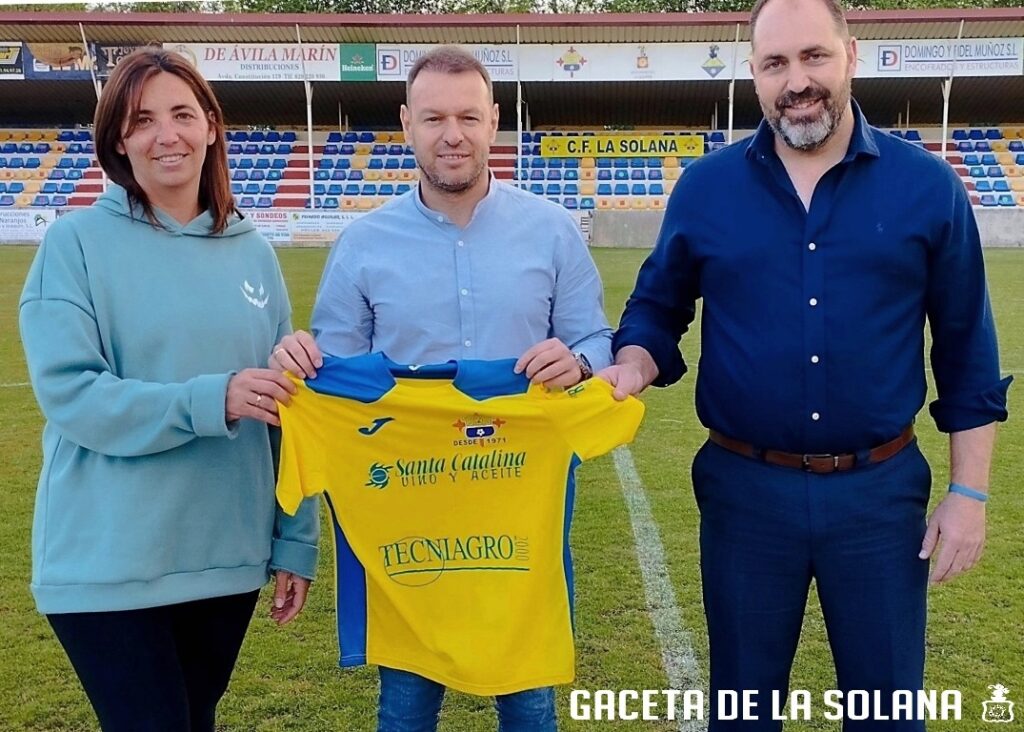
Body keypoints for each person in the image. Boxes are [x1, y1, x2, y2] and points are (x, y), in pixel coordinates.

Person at [601, 0, 1011, 729]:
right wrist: (633, 364)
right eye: (775, 64)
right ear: (755, 75)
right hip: (744, 495)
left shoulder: (928, 187)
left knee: (886, 713)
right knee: (742, 711)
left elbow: (967, 352)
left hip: (881, 498)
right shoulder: (707, 188)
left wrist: (970, 496)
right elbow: (657, 310)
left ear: (851, 55)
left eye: (814, 57)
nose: (798, 81)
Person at [271, 45, 611, 732]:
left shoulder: (551, 232)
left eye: (467, 116)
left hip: (520, 488)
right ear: (406, 123)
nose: (451, 134)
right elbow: (333, 375)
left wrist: (575, 363)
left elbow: (595, 343)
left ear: (494, 121)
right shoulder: (364, 243)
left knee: (528, 691)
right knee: (406, 697)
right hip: (409, 492)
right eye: (433, 118)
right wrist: (301, 360)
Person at [18, 47, 319, 732]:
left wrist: (296, 538)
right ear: (118, 142)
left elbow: (286, 407)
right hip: (107, 564)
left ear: (212, 126)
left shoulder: (253, 253)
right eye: (141, 120)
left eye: (183, 113)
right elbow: (73, 396)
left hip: (227, 560)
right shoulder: (75, 244)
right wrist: (209, 400)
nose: (166, 135)